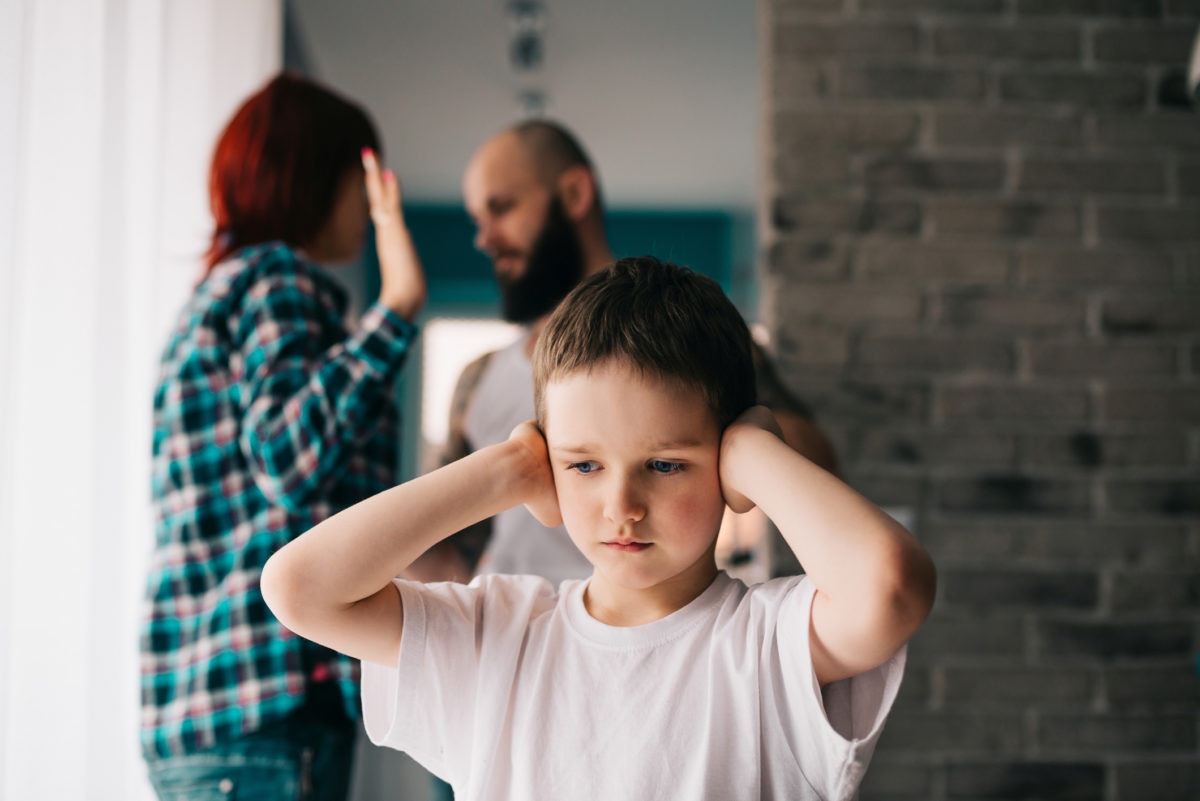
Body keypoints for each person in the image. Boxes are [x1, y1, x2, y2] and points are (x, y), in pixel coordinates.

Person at [261, 256, 937, 799]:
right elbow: (298, 587)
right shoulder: (498, 633)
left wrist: (756, 452)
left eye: (666, 463)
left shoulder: (767, 642)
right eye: (583, 464)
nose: (623, 504)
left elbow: (893, 586)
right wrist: (505, 468)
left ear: (728, 464)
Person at [140, 73, 426, 800]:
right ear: (316, 177)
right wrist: (397, 307)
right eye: (359, 177)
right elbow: (287, 458)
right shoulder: (276, 281)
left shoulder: (211, 299)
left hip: (204, 712)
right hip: (266, 706)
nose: (368, 206)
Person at [413, 119, 838, 586]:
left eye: (502, 208)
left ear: (575, 195)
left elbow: (815, 462)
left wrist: (732, 444)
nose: (484, 238)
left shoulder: (685, 336)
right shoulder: (480, 377)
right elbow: (448, 553)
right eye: (478, 219)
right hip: (519, 639)